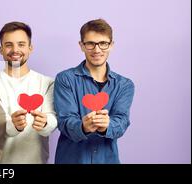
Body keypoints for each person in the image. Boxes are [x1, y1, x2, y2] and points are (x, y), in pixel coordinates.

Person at [54, 19, 135, 164]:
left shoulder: (125, 85)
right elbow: (64, 120)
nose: (97, 50)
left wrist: (107, 125)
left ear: (111, 45)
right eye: (90, 43)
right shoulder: (65, 79)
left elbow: (122, 122)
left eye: (103, 43)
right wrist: (83, 127)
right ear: (81, 46)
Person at [0, 22, 57, 164]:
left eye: (21, 44)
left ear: (30, 48)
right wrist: (14, 124)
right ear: (1, 49)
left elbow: (52, 119)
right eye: (9, 45)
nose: (15, 50)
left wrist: (44, 123)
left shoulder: (48, 83)